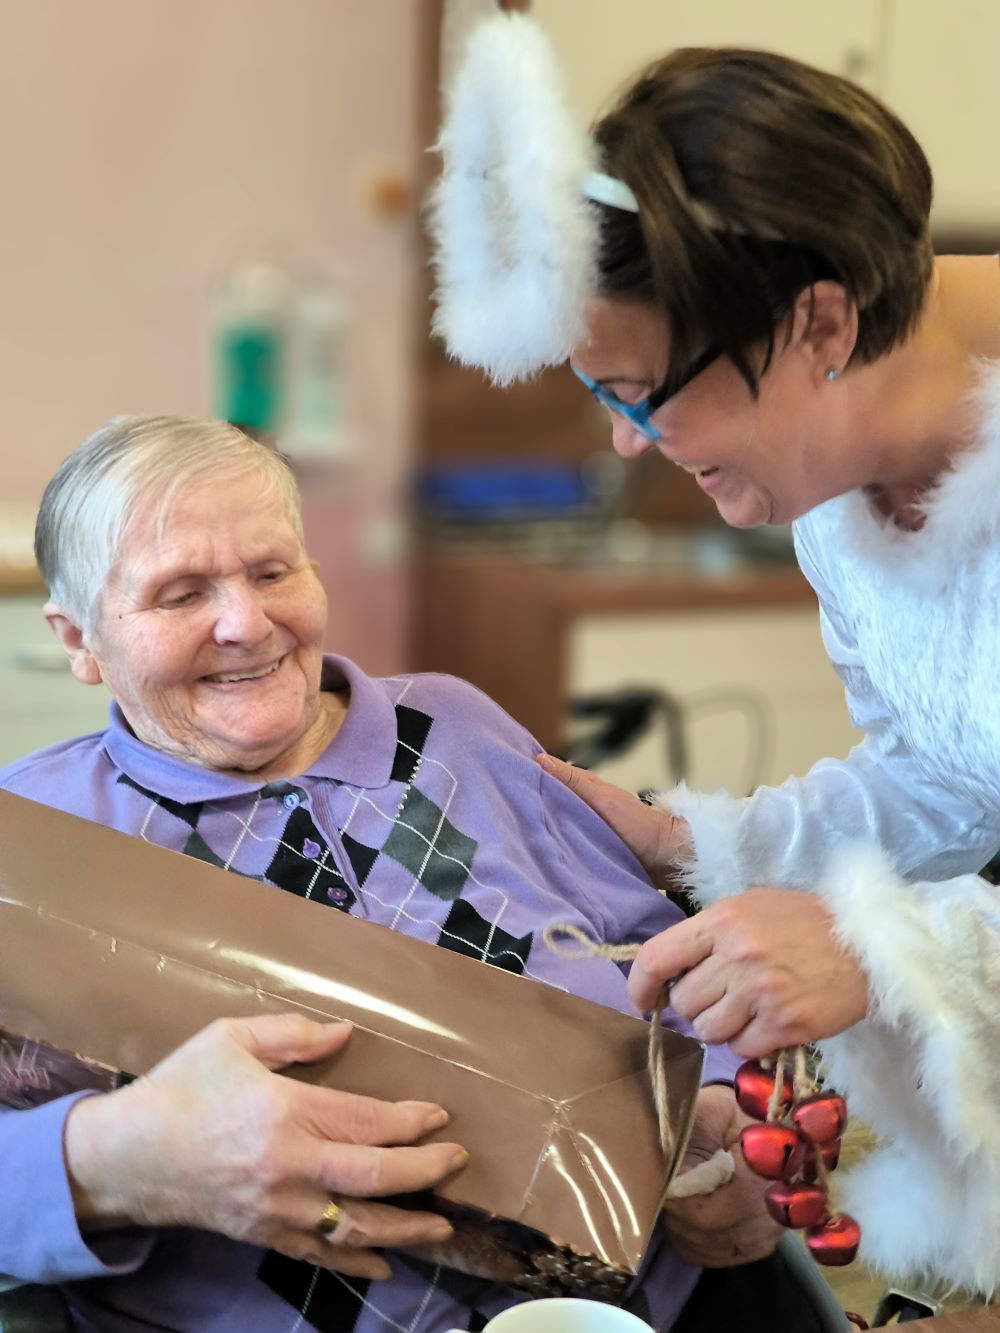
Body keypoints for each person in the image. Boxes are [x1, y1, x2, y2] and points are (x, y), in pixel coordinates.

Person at [0, 415, 784, 1333]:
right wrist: (113, 1158)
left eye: (271, 571)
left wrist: (729, 1113)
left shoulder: (457, 730)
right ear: (80, 639)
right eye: (179, 594)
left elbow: (667, 954)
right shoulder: (36, 844)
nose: (246, 622)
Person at [518, 47, 1000, 1294]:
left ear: (820, 326)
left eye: (645, 393)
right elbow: (955, 774)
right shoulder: (838, 481)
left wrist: (887, 949)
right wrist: (703, 847)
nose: (626, 440)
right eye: (599, 391)